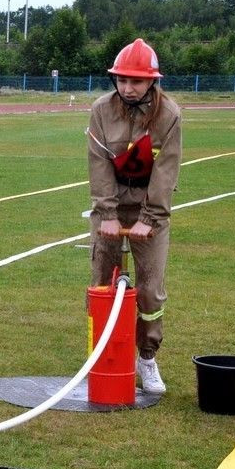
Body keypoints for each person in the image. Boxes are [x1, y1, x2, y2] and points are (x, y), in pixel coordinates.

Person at [86, 38, 181, 395]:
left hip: (149, 209)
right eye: (122, 79)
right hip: (110, 207)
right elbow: (98, 165)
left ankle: (147, 357)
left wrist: (151, 218)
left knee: (151, 291)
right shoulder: (100, 110)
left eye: (136, 81)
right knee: (100, 284)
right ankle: (101, 352)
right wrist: (107, 214)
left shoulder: (169, 116)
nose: (128, 87)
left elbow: (166, 172)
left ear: (152, 82)